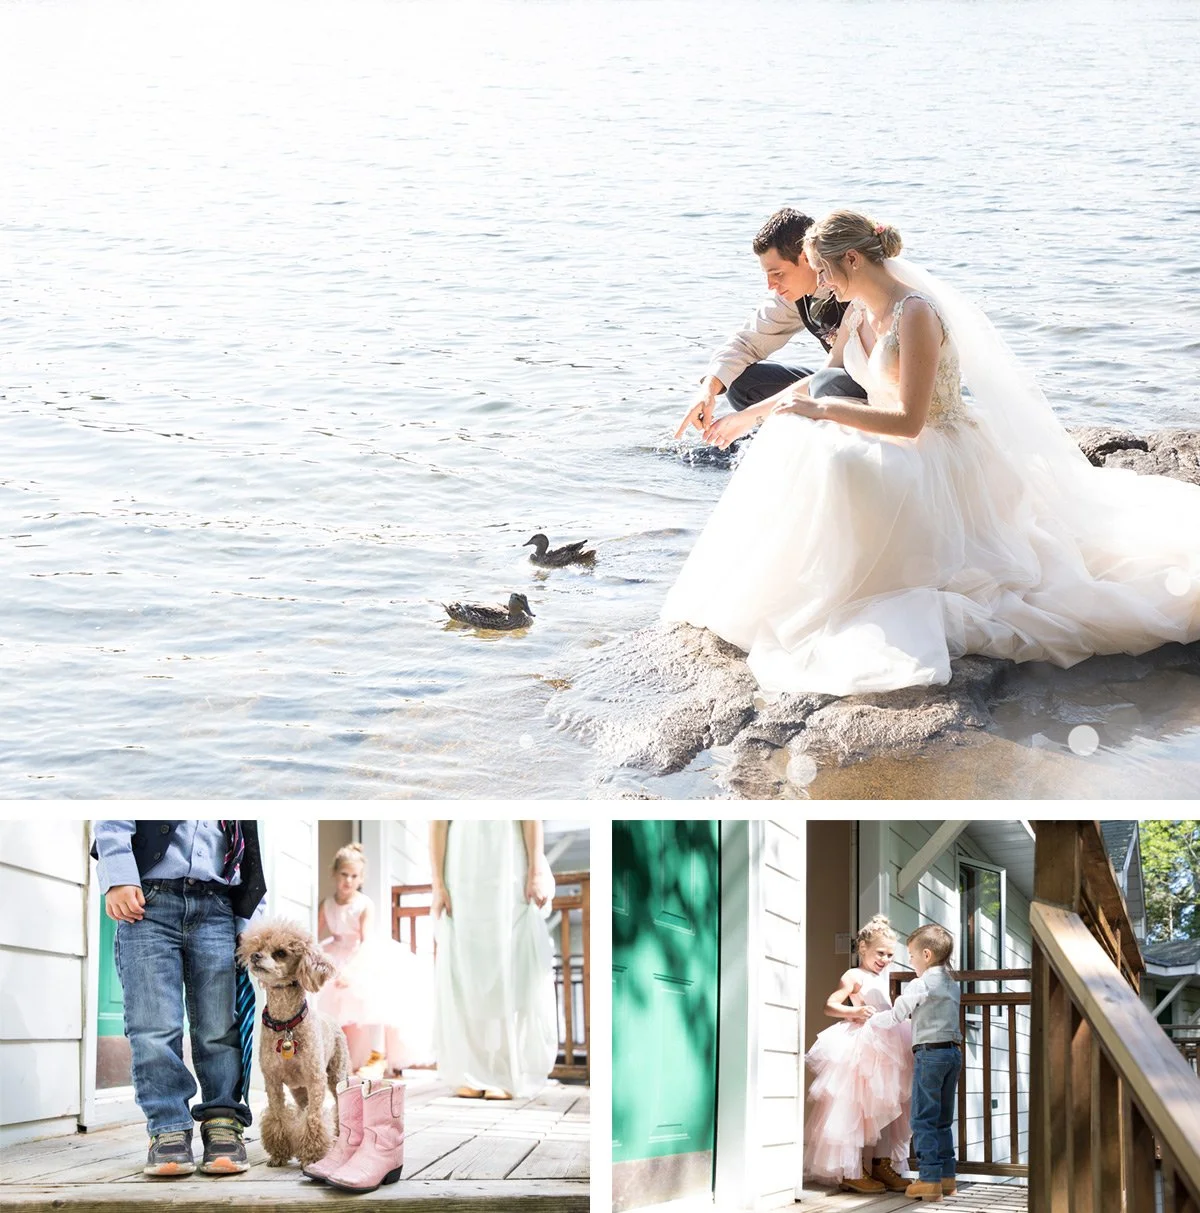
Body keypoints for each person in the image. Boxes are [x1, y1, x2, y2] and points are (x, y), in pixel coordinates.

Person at [664, 209, 1200, 696]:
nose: (821, 285)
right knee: (791, 436)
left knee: (830, 451)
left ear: (851, 258)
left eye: (824, 272)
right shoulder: (853, 312)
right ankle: (787, 587)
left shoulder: (915, 313)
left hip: (937, 448)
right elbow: (824, 379)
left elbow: (910, 421)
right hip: (886, 428)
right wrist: (744, 418)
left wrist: (824, 413)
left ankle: (843, 586)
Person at [91, 820, 266, 1178]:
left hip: (218, 905)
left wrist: (250, 919)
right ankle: (168, 1126)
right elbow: (115, 811)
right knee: (153, 1026)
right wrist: (118, 875)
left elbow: (250, 846)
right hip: (147, 903)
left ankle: (223, 1120)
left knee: (220, 1026)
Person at [674, 207, 867, 441]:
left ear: (807, 257)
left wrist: (749, 416)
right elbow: (747, 341)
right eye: (766, 274)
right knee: (741, 382)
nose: (770, 285)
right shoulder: (793, 296)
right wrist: (709, 391)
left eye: (777, 273)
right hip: (831, 381)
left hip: (871, 390)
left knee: (829, 382)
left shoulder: (859, 287)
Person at [430, 820, 558, 1100]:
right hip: (461, 864)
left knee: (509, 962)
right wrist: (438, 885)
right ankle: (470, 1071)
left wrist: (535, 870)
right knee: (465, 966)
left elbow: (529, 815)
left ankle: (506, 1073)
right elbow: (438, 823)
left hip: (508, 859)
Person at [804, 915, 912, 1195]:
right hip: (862, 1049)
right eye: (880, 953)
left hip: (886, 1049)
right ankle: (851, 1169)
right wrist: (854, 1012)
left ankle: (882, 1164)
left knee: (887, 1107)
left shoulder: (881, 977)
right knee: (856, 1109)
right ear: (862, 948)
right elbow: (830, 1005)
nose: (885, 959)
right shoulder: (853, 976)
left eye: (890, 955)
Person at [315, 842, 434, 1079]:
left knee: (368, 997)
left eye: (354, 876)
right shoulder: (326, 904)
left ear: (361, 879)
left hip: (360, 953)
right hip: (334, 951)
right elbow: (315, 935)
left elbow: (366, 940)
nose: (348, 881)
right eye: (344, 875)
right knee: (328, 1001)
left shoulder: (363, 904)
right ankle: (338, 1057)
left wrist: (351, 970)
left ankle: (376, 1055)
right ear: (334, 874)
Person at [867, 924, 963, 1201]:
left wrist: (871, 1019)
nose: (909, 962)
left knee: (923, 1118)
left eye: (910, 956)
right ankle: (947, 1178)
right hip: (952, 1054)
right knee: (943, 1120)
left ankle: (929, 1180)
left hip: (930, 1054)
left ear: (926, 954)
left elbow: (897, 1015)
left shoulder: (920, 984)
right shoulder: (951, 983)